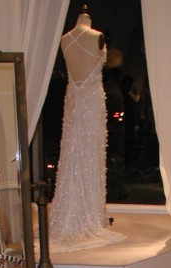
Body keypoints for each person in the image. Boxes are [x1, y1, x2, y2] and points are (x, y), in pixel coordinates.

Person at [49, 9, 125, 253]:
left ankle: (84, 209)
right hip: (90, 101)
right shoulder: (95, 37)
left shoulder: (66, 39)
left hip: (75, 98)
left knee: (79, 151)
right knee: (81, 153)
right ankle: (86, 213)